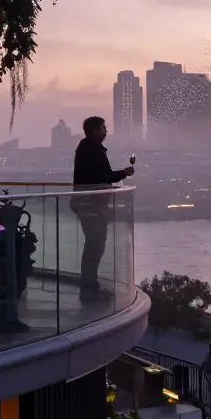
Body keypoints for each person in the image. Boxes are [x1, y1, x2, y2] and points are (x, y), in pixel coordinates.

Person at [71, 116, 133, 303]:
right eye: (103, 128)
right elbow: (104, 176)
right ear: (95, 131)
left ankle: (90, 284)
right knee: (95, 245)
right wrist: (124, 173)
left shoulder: (86, 149)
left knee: (93, 244)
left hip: (88, 202)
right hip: (90, 204)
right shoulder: (93, 150)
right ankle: (89, 288)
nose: (106, 131)